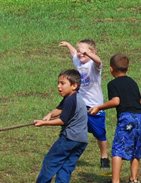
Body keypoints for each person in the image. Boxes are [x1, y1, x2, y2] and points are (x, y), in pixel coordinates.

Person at [45, 39, 110, 169]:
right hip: (80, 103)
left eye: (84, 52)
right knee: (71, 127)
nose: (81, 55)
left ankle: (104, 156)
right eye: (80, 52)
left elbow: (99, 61)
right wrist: (69, 45)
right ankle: (67, 151)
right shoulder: (78, 62)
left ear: (92, 52)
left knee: (100, 133)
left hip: (94, 106)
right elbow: (74, 54)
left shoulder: (93, 65)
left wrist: (88, 54)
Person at [89, 54, 141, 183]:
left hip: (127, 117)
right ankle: (134, 179)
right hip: (140, 117)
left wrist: (99, 107)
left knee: (118, 148)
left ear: (111, 69)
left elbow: (116, 101)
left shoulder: (112, 84)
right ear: (128, 68)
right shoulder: (132, 82)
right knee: (136, 146)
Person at [32, 70, 87, 183]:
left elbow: (62, 120)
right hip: (81, 140)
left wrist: (44, 123)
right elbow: (60, 109)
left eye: (63, 83)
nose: (59, 86)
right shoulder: (73, 98)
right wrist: (50, 114)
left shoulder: (70, 100)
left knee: (51, 161)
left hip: (69, 138)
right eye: (58, 83)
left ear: (74, 85)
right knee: (67, 165)